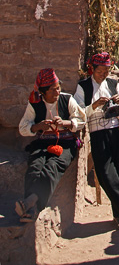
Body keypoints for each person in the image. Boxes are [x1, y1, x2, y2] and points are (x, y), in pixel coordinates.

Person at [74, 52, 119, 230]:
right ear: (92, 69)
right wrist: (93, 106)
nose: (103, 74)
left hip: (116, 131)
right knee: (104, 173)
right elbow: (78, 113)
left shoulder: (113, 84)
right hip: (98, 134)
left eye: (106, 71)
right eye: (100, 71)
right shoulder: (83, 87)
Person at [16, 68, 86, 222]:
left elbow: (82, 120)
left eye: (58, 87)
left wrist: (66, 123)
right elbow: (23, 127)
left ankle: (30, 203)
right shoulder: (35, 103)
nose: (57, 92)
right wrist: (37, 126)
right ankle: (31, 208)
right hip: (43, 142)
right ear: (43, 92)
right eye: (53, 90)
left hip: (66, 143)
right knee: (35, 166)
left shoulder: (67, 100)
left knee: (53, 165)